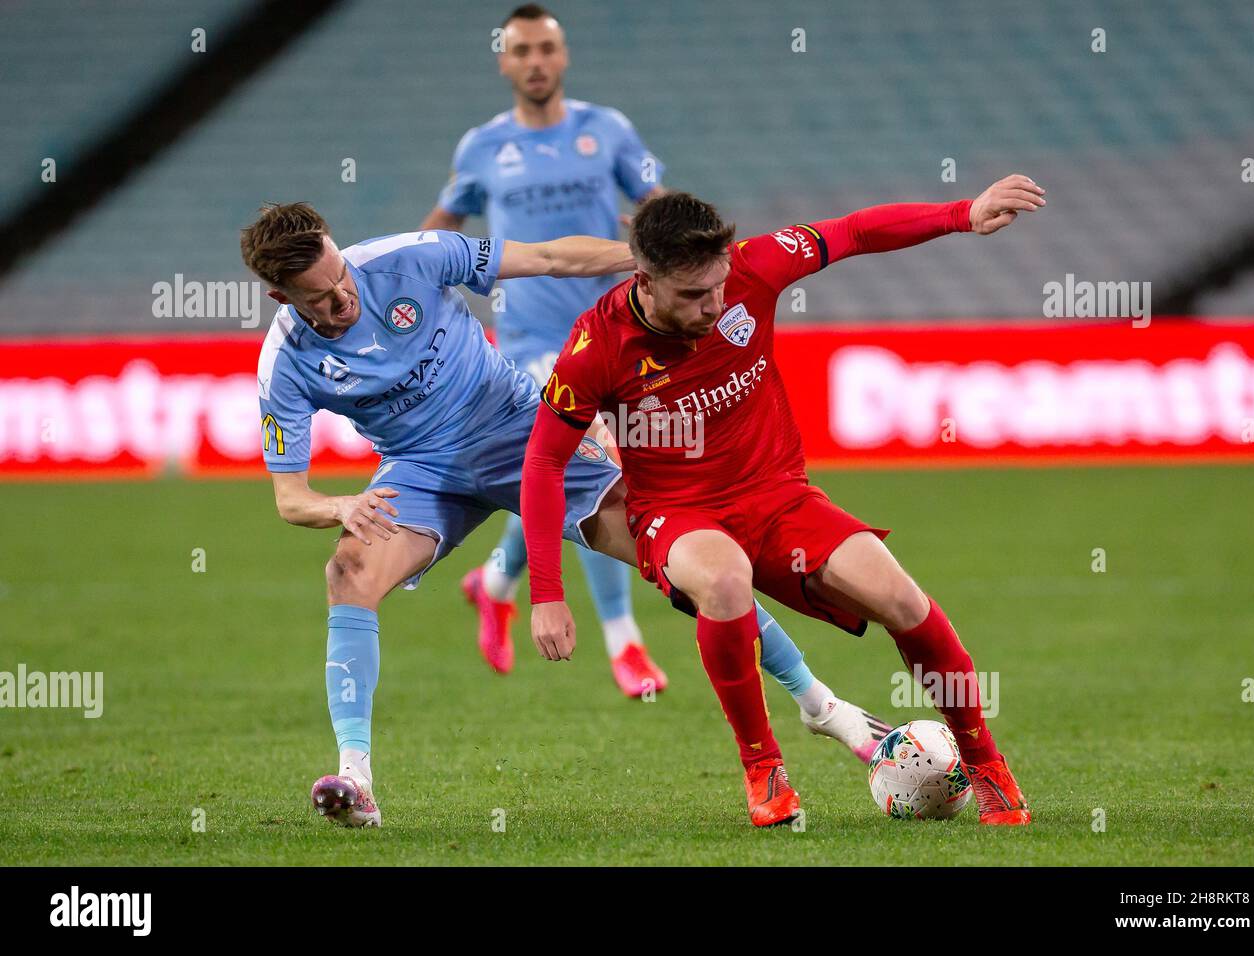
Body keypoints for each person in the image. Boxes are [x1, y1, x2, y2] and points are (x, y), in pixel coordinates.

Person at [243, 201, 889, 828]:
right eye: (321, 299)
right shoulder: (285, 365)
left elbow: (551, 258)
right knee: (348, 573)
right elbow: (290, 499)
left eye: (342, 279)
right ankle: (356, 779)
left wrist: (650, 265)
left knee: (689, 556)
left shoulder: (412, 258)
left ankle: (822, 704)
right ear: (282, 299)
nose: (343, 300)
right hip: (422, 469)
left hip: (520, 429)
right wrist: (341, 506)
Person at [522, 177, 1047, 825]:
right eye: (692, 294)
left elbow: (854, 231)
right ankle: (762, 768)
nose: (714, 304)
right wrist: (546, 592)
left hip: (778, 497)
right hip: (676, 512)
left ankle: (986, 763)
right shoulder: (594, 348)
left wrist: (962, 213)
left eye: (717, 285)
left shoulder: (753, 269)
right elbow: (544, 460)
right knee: (725, 580)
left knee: (903, 600)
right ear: (644, 278)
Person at [421, 4, 670, 695]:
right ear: (504, 60)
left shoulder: (608, 129)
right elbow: (441, 227)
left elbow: (657, 195)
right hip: (529, 337)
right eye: (521, 50)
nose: (535, 61)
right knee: (596, 462)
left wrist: (681, 232)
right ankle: (625, 644)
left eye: (546, 49)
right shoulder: (481, 147)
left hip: (612, 328)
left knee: (558, 472)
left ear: (563, 58)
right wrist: (395, 288)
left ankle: (495, 580)